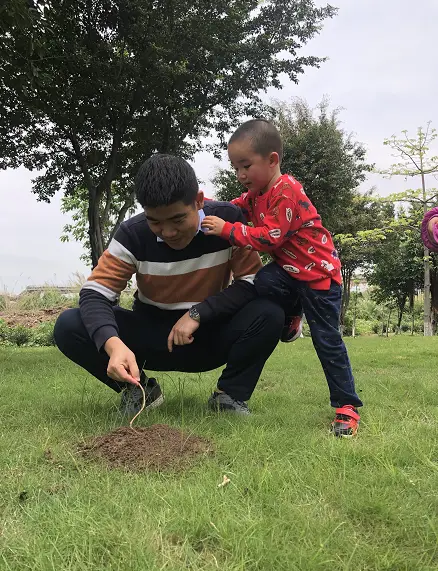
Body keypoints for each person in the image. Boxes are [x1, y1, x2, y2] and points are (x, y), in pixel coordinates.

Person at [54, 154, 287, 416]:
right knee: (69, 325)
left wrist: (199, 313)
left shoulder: (226, 222)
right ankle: (140, 390)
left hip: (210, 336)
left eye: (177, 220)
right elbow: (95, 294)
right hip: (152, 338)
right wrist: (113, 345)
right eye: (155, 221)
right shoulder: (132, 234)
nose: (168, 232)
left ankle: (229, 397)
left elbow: (250, 281)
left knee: (270, 311)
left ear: (198, 201)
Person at [202, 119, 363, 437]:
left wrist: (229, 231)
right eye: (236, 168)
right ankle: (293, 314)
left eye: (246, 165)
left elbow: (269, 238)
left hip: (318, 278)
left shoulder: (286, 190)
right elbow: (233, 208)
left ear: (272, 160)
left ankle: (347, 407)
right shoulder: (256, 194)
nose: (240, 175)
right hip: (288, 274)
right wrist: (200, 206)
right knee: (262, 282)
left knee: (327, 342)